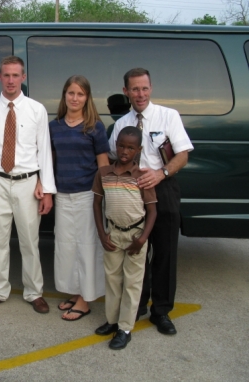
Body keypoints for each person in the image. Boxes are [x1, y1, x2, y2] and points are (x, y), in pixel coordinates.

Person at [108, 68, 194, 335]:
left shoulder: (168, 116)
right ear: (126, 92)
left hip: (163, 188)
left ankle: (162, 311)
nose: (140, 94)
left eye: (144, 88)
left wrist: (161, 173)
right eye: (134, 89)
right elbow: (114, 155)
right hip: (131, 195)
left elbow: (183, 155)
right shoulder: (122, 124)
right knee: (137, 251)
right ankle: (137, 306)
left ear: (151, 88)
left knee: (165, 251)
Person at [0, 55, 56, 314]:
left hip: (28, 183)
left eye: (15, 75)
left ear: (23, 77)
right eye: (6, 75)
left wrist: (47, 189)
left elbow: (44, 151)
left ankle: (34, 292)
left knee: (30, 241)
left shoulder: (36, 110)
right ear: (0, 77)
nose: (11, 80)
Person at [49, 75, 109, 321]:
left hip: (87, 195)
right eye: (71, 93)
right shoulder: (54, 127)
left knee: (87, 247)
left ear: (87, 98)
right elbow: (50, 161)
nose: (75, 98)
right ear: (65, 95)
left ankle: (85, 300)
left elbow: (103, 166)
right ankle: (75, 292)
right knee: (66, 246)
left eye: (80, 94)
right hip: (63, 194)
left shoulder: (95, 126)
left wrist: (101, 198)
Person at [93, 126, 157, 350]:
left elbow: (152, 211)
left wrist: (142, 239)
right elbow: (97, 204)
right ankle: (112, 321)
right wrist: (102, 233)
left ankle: (125, 328)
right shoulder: (104, 173)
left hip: (135, 236)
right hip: (113, 234)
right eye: (121, 145)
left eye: (130, 148)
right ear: (116, 145)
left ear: (138, 150)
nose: (124, 151)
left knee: (132, 283)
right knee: (112, 280)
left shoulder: (142, 177)